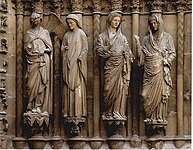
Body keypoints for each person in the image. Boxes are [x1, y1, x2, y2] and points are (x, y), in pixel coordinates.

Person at [134, 14, 176, 124]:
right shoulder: (146, 40)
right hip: (148, 72)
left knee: (161, 95)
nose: (153, 25)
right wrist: (138, 44)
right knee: (144, 95)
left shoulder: (167, 37)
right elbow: (142, 57)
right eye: (151, 23)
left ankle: (159, 118)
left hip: (160, 70)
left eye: (155, 23)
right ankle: (150, 116)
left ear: (159, 23)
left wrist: (166, 60)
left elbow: (172, 53)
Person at [97, 11, 134, 120]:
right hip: (110, 67)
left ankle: (118, 111)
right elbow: (99, 50)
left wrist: (128, 55)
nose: (116, 23)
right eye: (115, 20)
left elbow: (128, 52)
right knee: (108, 89)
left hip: (121, 66)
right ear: (109, 20)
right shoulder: (102, 36)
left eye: (118, 21)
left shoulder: (122, 38)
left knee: (121, 89)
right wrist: (109, 50)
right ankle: (109, 112)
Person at [25, 12, 53, 114]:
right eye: (33, 19)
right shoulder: (29, 33)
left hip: (43, 61)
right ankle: (30, 104)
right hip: (32, 62)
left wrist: (43, 51)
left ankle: (39, 105)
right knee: (31, 84)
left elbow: (50, 48)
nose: (35, 21)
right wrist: (30, 50)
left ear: (40, 20)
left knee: (41, 82)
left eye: (37, 19)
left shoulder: (45, 32)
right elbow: (26, 48)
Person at [61, 14, 88, 118]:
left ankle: (78, 112)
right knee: (67, 87)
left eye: (71, 23)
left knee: (78, 86)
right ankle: (68, 111)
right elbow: (63, 48)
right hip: (68, 64)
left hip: (78, 64)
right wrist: (64, 50)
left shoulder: (81, 34)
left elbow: (85, 48)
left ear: (76, 22)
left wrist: (81, 57)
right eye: (68, 23)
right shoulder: (67, 35)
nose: (70, 25)